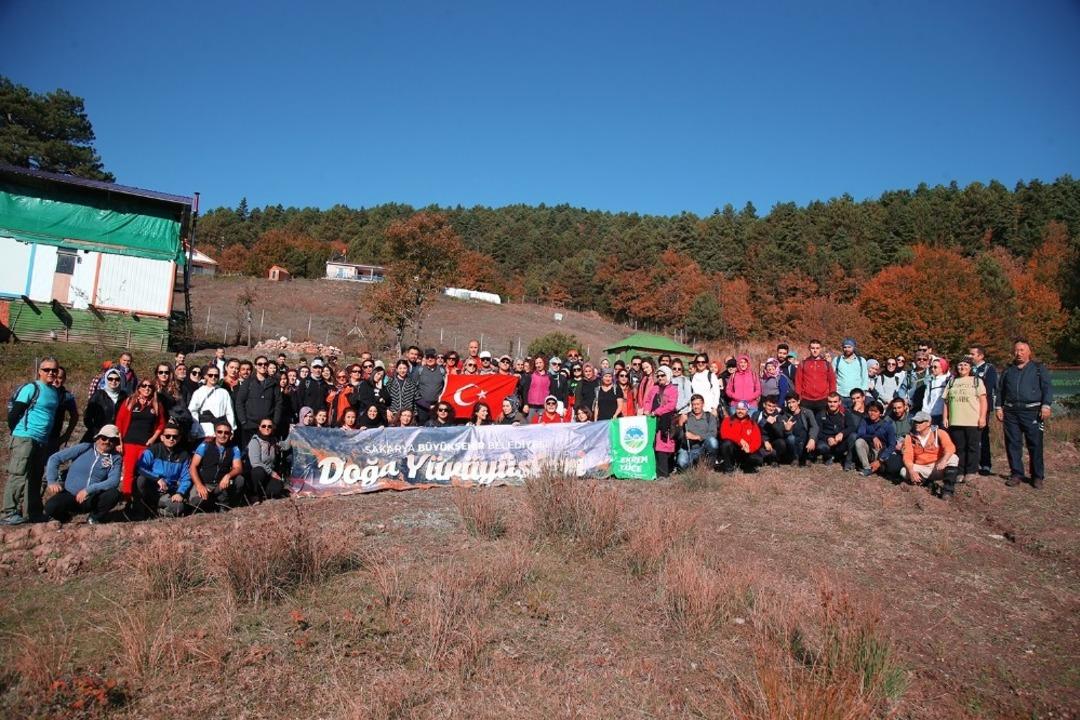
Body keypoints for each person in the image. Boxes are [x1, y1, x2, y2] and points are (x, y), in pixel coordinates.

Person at [996, 339, 1053, 489]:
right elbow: (1000, 390)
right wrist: (998, 407)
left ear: (1029, 352)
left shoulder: (1039, 368)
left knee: (1035, 444)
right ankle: (1016, 474)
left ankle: (1037, 476)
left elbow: (1047, 388)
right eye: (1016, 350)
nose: (1018, 353)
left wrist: (1046, 406)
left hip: (1033, 412)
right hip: (1011, 412)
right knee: (1013, 444)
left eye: (1022, 350)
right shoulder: (1008, 370)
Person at [42, 424, 122, 524]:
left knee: (114, 494)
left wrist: (88, 490)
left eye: (112, 440)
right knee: (50, 507)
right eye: (104, 438)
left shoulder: (115, 458)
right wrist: (52, 480)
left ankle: (94, 517)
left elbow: (113, 481)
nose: (107, 442)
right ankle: (66, 518)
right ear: (98, 438)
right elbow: (55, 458)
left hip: (93, 498)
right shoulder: (85, 448)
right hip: (71, 494)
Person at [116, 378, 166, 497]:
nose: (147, 388)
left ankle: (140, 498)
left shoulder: (156, 404)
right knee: (129, 472)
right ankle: (127, 497)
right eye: (144, 386)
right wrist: (119, 442)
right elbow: (119, 422)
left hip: (146, 444)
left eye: (150, 386)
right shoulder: (130, 401)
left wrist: (153, 438)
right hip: (129, 442)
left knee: (144, 471)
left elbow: (162, 424)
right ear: (139, 388)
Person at [942, 356, 987, 483]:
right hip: (956, 420)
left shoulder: (976, 381)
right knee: (959, 448)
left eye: (965, 365)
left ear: (970, 367)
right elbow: (946, 402)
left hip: (972, 420)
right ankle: (960, 471)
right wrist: (945, 417)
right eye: (960, 365)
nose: (962, 367)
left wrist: (982, 417)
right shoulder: (952, 382)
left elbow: (983, 401)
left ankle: (972, 471)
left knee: (972, 447)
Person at [134, 420, 192, 518]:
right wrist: (157, 479)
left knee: (178, 508)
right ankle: (141, 510)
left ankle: (157, 511)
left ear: (179, 438)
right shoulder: (153, 450)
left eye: (175, 436)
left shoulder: (184, 455)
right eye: (168, 436)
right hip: (151, 488)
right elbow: (140, 467)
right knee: (141, 480)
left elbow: (186, 478)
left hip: (168, 492)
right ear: (162, 437)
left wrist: (180, 493)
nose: (171, 439)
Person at [901, 411, 960, 499]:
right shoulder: (910, 437)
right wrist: (911, 471)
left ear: (928, 423)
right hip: (922, 468)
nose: (917, 424)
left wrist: (943, 460)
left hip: (938, 466)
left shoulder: (939, 433)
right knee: (904, 471)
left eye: (920, 422)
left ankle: (947, 490)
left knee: (953, 457)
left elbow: (950, 447)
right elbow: (907, 456)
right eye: (915, 421)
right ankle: (928, 483)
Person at [189, 420, 245, 511]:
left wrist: (228, 476)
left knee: (240, 480)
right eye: (220, 432)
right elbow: (193, 467)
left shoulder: (234, 448)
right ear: (215, 433)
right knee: (195, 503)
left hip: (221, 484)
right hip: (205, 483)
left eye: (226, 433)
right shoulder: (205, 445)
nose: (223, 435)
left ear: (230, 434)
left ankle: (230, 503)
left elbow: (238, 467)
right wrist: (199, 485)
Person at [234, 356, 282, 448]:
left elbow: (278, 404)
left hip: (267, 426)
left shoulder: (274, 383)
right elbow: (240, 402)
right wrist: (244, 421)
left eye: (265, 364)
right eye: (260, 364)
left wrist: (275, 422)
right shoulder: (248, 382)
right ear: (255, 366)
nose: (263, 366)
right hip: (250, 425)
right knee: (249, 453)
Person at [968, 345, 999, 476]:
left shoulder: (989, 369)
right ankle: (972, 463)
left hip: (982, 407)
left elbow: (988, 388)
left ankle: (985, 464)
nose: (969, 356)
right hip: (968, 407)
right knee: (970, 436)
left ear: (981, 356)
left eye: (972, 354)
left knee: (982, 435)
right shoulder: (968, 368)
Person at [643, 366, 679, 477]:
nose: (660, 377)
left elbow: (671, 405)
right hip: (652, 419)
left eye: (662, 375)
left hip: (665, 420)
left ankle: (663, 473)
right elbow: (648, 401)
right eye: (658, 376)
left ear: (668, 375)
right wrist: (647, 410)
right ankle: (652, 470)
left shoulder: (673, 389)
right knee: (651, 444)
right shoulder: (654, 388)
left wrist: (657, 411)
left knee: (663, 445)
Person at [188, 365, 235, 442]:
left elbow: (229, 412)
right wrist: (194, 429)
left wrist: (231, 429)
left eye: (216, 375)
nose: (213, 377)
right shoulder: (199, 392)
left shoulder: (224, 392)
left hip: (221, 431)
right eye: (210, 375)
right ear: (206, 376)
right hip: (204, 431)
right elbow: (193, 411)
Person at [82, 368, 127, 443]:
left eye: (117, 379)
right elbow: (87, 416)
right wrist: (95, 431)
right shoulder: (98, 395)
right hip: (98, 435)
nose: (113, 381)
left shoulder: (124, 397)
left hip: (115, 436)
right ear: (106, 379)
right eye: (110, 379)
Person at [247, 417, 288, 500]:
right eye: (264, 426)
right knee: (258, 471)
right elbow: (255, 463)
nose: (267, 428)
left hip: (268, 476)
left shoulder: (273, 440)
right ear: (259, 427)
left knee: (278, 488)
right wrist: (272, 473)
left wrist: (292, 432)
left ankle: (263, 493)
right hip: (255, 475)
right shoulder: (255, 441)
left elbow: (286, 446)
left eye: (269, 426)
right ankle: (254, 495)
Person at [718, 401, 763, 473]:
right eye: (738, 409)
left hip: (746, 450)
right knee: (726, 444)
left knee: (758, 459)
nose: (740, 411)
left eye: (743, 409)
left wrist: (750, 449)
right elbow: (724, 433)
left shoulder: (752, 423)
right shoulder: (728, 420)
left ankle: (743, 465)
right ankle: (728, 468)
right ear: (735, 409)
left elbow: (757, 440)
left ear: (747, 411)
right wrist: (740, 440)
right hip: (733, 449)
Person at [676, 394, 719, 470]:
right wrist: (680, 424)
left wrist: (697, 437)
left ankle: (709, 466)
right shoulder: (686, 417)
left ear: (703, 404)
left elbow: (713, 433)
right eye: (693, 405)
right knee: (681, 464)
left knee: (713, 442)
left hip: (703, 447)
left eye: (698, 404)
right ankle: (696, 463)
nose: (696, 407)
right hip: (689, 448)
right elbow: (679, 437)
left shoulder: (709, 416)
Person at [854, 402, 897, 476]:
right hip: (870, 450)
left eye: (875, 411)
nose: (872, 413)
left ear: (880, 413)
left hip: (882, 452)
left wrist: (881, 460)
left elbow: (892, 445)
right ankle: (867, 468)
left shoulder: (888, 426)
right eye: (870, 411)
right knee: (859, 442)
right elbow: (860, 434)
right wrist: (873, 437)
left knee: (888, 469)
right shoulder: (865, 421)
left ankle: (878, 465)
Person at [794, 340, 835, 415]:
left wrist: (832, 396)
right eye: (813, 348)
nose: (815, 350)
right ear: (809, 348)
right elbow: (798, 382)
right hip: (806, 399)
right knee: (806, 425)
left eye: (817, 348)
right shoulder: (803, 363)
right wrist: (798, 397)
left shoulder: (826, 364)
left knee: (821, 424)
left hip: (823, 399)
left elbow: (832, 381)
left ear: (820, 349)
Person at [815, 392, 855, 469]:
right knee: (821, 447)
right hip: (827, 441)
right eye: (830, 402)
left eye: (835, 402)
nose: (832, 404)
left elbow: (851, 427)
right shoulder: (821, 414)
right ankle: (829, 457)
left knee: (853, 436)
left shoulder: (845, 413)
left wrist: (842, 433)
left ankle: (848, 461)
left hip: (840, 441)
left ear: (839, 402)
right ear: (827, 402)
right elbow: (818, 431)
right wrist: (828, 438)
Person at [48, 366, 79, 455]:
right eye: (54, 376)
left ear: (64, 379)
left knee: (49, 464)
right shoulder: (38, 391)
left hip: (53, 437)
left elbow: (75, 416)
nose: (56, 380)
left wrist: (66, 435)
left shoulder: (67, 397)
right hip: (35, 434)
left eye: (60, 378)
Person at [782, 393, 818, 467]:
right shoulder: (785, 415)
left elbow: (815, 426)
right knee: (790, 439)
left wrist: (812, 439)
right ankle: (795, 458)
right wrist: (787, 430)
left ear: (798, 401)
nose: (791, 405)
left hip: (806, 439)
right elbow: (784, 434)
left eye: (793, 402)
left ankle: (808, 457)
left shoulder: (807, 412)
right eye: (789, 403)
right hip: (795, 440)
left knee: (813, 436)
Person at [756, 395, 792, 466]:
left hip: (774, 442)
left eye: (773, 406)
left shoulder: (780, 416)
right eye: (769, 406)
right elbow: (753, 431)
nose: (771, 408)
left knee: (781, 443)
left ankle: (773, 459)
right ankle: (765, 458)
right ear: (764, 405)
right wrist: (764, 441)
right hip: (761, 441)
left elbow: (781, 435)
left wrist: (774, 424)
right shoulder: (757, 415)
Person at [833, 339, 869, 409]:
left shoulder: (861, 360)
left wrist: (863, 393)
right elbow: (831, 376)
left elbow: (864, 377)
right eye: (845, 347)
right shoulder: (837, 360)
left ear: (854, 347)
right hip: (841, 395)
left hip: (856, 397)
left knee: (855, 417)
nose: (847, 349)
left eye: (849, 347)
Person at [414, 348, 446, 425]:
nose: (430, 359)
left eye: (432, 357)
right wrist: (425, 404)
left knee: (436, 428)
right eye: (428, 357)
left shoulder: (442, 371)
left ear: (435, 357)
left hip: (437, 406)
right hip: (422, 407)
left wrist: (438, 403)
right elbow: (414, 388)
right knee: (422, 428)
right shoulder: (419, 370)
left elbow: (445, 387)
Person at [689, 352, 723, 417]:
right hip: (695, 411)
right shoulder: (693, 376)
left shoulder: (711, 375)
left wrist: (714, 408)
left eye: (703, 362)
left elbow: (716, 393)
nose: (700, 364)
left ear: (706, 363)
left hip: (708, 410)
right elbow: (692, 394)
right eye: (698, 362)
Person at [386, 359, 419, 425]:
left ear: (408, 369)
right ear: (397, 369)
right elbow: (386, 398)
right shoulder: (390, 382)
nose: (402, 370)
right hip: (394, 414)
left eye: (404, 368)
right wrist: (387, 410)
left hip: (407, 416)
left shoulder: (412, 383)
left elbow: (416, 399)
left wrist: (415, 414)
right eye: (400, 368)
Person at [519, 356, 551, 421]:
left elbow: (551, 392)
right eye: (536, 363)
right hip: (531, 407)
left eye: (540, 362)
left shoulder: (549, 376)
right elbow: (525, 391)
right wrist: (525, 404)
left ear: (544, 363)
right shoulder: (530, 376)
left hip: (543, 407)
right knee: (528, 427)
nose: (538, 365)